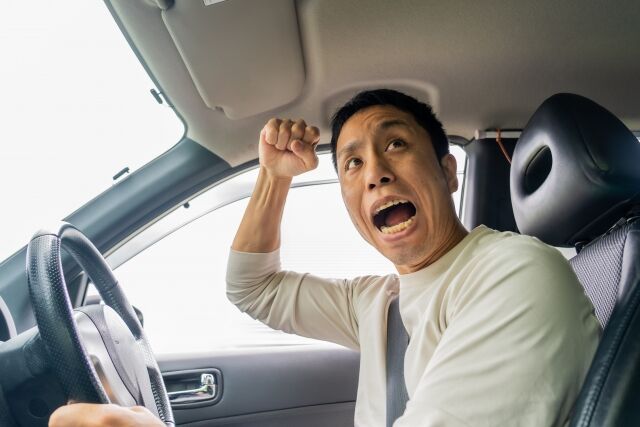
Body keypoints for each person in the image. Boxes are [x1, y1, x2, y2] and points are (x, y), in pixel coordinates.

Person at [50, 89, 600, 426]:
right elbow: (252, 289)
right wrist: (274, 177)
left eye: (396, 144)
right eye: (352, 163)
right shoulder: (377, 301)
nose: (375, 173)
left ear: (447, 170)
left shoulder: (518, 275)